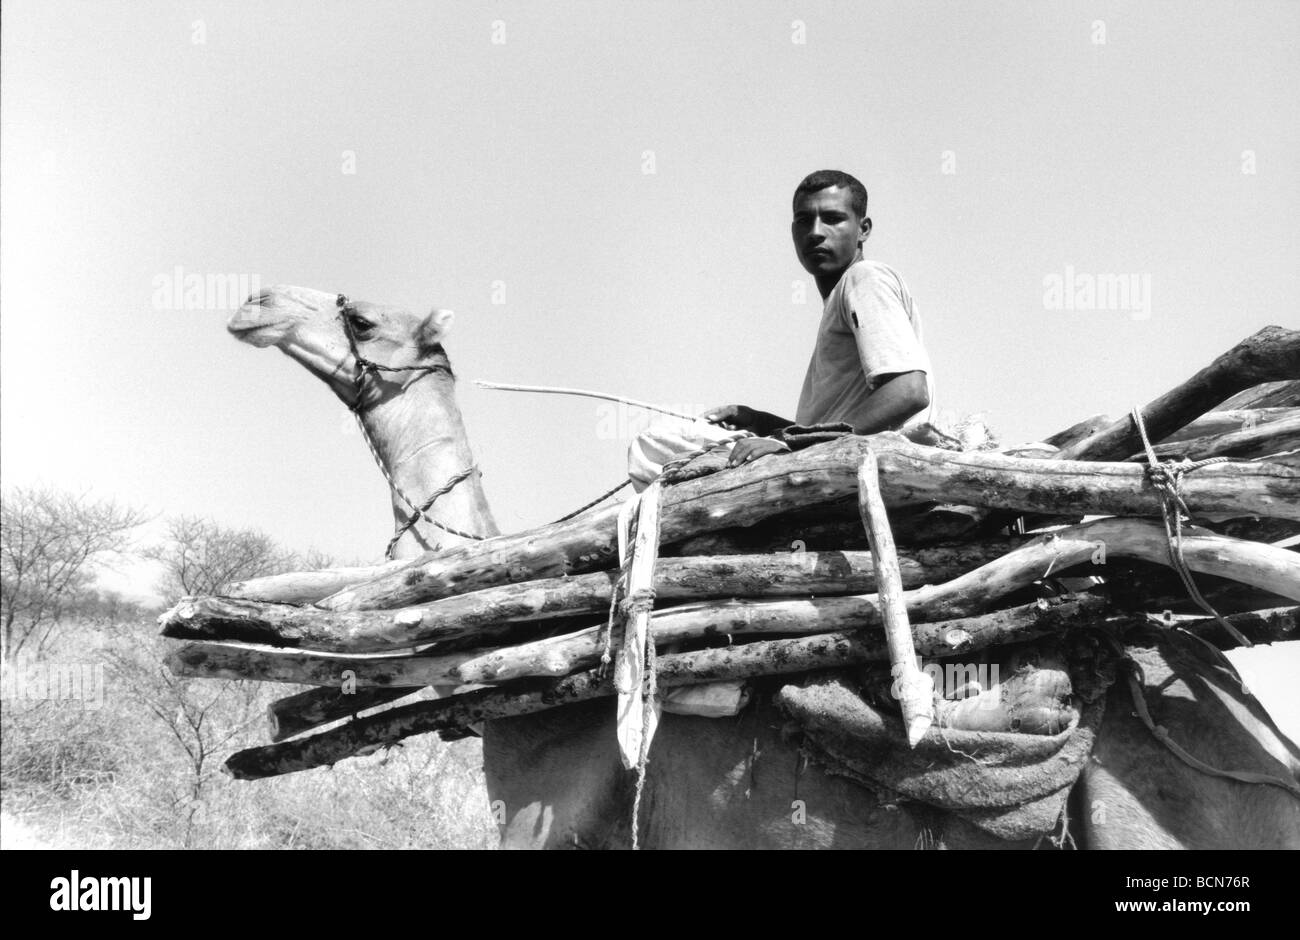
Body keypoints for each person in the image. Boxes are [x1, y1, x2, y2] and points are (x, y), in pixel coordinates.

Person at [628, 169, 933, 491]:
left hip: (869, 469)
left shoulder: (864, 278)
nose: (816, 232)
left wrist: (790, 444)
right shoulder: (842, 297)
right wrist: (760, 422)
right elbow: (828, 434)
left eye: (832, 218)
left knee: (652, 444)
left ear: (863, 229)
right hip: (841, 462)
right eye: (804, 220)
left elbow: (909, 392)